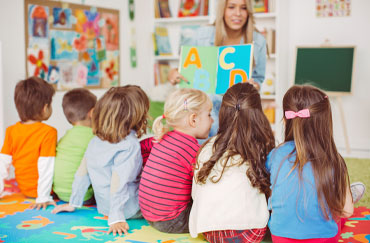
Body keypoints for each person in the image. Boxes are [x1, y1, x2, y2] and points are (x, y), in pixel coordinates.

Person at [52, 85, 149, 236]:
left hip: (104, 206)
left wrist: (74, 202)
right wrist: (116, 217)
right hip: (127, 209)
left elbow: (82, 172)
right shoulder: (130, 145)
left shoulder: (95, 140)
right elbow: (119, 181)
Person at [266, 85, 355, 242]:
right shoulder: (334, 160)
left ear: (286, 119)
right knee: (338, 209)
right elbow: (347, 211)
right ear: (325, 122)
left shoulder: (275, 155)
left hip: (281, 238)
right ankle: (351, 193)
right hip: (324, 238)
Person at [189, 83, 274, 242]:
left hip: (210, 231)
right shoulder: (262, 146)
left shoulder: (207, 146)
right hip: (248, 233)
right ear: (258, 114)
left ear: (222, 113)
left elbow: (196, 193)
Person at [168, 0, 267, 138]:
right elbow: (185, 67)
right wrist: (174, 74)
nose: (237, 13)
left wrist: (254, 85)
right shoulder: (202, 34)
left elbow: (258, 79)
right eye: (231, 7)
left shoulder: (259, 40)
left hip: (237, 117)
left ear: (248, 11)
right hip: (201, 117)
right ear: (222, 10)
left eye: (243, 8)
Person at [138, 88, 213, 233]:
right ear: (193, 119)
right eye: (209, 115)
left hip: (148, 214)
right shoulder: (190, 149)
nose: (212, 120)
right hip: (172, 220)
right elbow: (206, 181)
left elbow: (141, 148)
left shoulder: (162, 137)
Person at [0, 77, 57, 210]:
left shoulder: (11, 131)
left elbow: (2, 163)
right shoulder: (48, 132)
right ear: (45, 108)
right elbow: (46, 166)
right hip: (44, 191)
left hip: (24, 189)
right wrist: (42, 196)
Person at [52, 88, 97, 203]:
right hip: (83, 196)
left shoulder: (65, 137)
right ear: (92, 113)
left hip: (60, 192)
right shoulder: (94, 136)